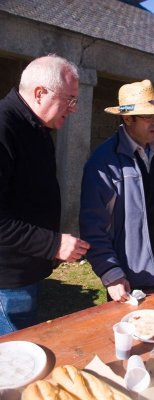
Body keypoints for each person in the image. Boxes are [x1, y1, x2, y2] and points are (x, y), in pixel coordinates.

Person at [0, 55, 90, 335]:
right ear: (40, 93)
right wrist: (52, 244)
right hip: (7, 281)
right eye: (71, 99)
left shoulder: (36, 127)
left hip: (26, 269)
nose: (74, 109)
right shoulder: (4, 128)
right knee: (14, 365)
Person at [80, 79, 154, 302]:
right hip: (129, 277)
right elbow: (92, 227)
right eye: (148, 116)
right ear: (127, 118)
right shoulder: (103, 162)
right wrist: (111, 273)